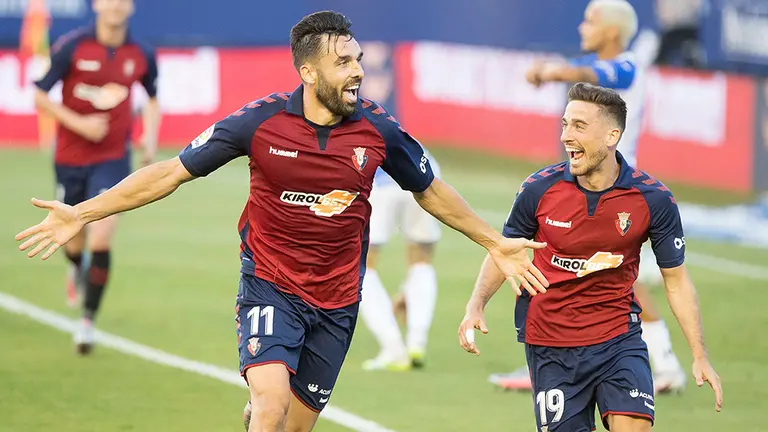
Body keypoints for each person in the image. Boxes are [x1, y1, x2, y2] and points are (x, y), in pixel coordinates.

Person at [16, 11, 549, 432]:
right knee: (270, 407)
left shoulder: (378, 130)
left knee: (291, 426)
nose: (358, 70)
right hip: (270, 286)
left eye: (358, 58)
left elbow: (430, 191)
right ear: (309, 72)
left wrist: (493, 241)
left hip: (338, 301)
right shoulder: (260, 123)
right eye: (344, 62)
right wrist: (83, 212)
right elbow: (169, 173)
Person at [459, 83, 722, 432]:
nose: (567, 135)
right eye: (565, 124)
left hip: (618, 339)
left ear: (612, 135)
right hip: (551, 345)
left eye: (579, 126)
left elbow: (676, 281)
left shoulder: (653, 199)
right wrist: (476, 304)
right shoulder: (539, 189)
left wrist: (700, 354)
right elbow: (505, 250)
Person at [493, 0, 687, 394]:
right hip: (589, 186)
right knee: (594, 268)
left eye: (590, 20)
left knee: (615, 273)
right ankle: (557, 351)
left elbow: (589, 71)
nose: (582, 26)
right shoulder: (608, 70)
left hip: (615, 192)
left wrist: (551, 72)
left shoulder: (627, 66)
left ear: (612, 31)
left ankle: (662, 362)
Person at [32, 0, 160, 355]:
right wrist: (80, 125)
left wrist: (149, 139)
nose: (116, 5)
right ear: (97, 5)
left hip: (114, 159)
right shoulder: (73, 46)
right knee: (74, 240)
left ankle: (86, 322)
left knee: (101, 235)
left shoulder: (141, 53)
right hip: (70, 159)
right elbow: (40, 95)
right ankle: (76, 267)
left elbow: (152, 96)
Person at [359, 154, 442, 371]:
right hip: (422, 168)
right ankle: (417, 342)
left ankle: (393, 348)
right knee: (421, 259)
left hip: (378, 175)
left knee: (362, 264)